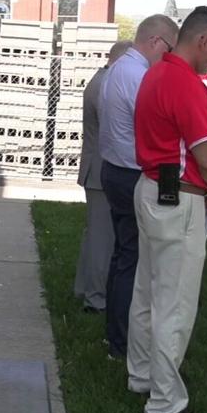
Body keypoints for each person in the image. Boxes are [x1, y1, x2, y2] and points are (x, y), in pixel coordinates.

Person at [128, 5, 207, 413]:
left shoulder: (155, 73)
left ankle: (140, 376)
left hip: (151, 186)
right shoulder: (186, 83)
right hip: (181, 196)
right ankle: (165, 403)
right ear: (204, 40)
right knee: (175, 304)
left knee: (146, 293)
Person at [97, 14, 179, 359]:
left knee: (124, 255)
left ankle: (116, 335)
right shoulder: (139, 75)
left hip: (115, 168)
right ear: (157, 42)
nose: (171, 56)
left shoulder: (118, 70)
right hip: (135, 173)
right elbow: (159, 132)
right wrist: (171, 188)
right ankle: (126, 341)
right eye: (170, 48)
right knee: (139, 260)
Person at [74, 40, 133, 314]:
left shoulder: (101, 80)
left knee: (95, 236)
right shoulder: (106, 84)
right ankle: (96, 299)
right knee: (102, 239)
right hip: (101, 169)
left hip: (96, 168)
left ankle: (86, 289)